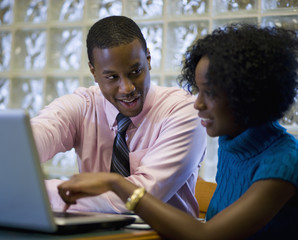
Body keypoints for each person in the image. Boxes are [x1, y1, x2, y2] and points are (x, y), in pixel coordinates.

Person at [57, 24, 298, 239]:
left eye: (209, 93)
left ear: (248, 93)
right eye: (198, 90)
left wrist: (115, 183)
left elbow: (206, 237)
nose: (198, 104)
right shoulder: (231, 143)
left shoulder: (287, 162)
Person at [31, 15, 206, 215]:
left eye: (135, 72)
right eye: (112, 77)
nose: (127, 88)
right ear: (93, 72)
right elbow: (32, 139)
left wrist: (31, 192)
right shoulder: (84, 105)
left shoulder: (183, 111)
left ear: (148, 60)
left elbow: (138, 198)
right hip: (94, 234)